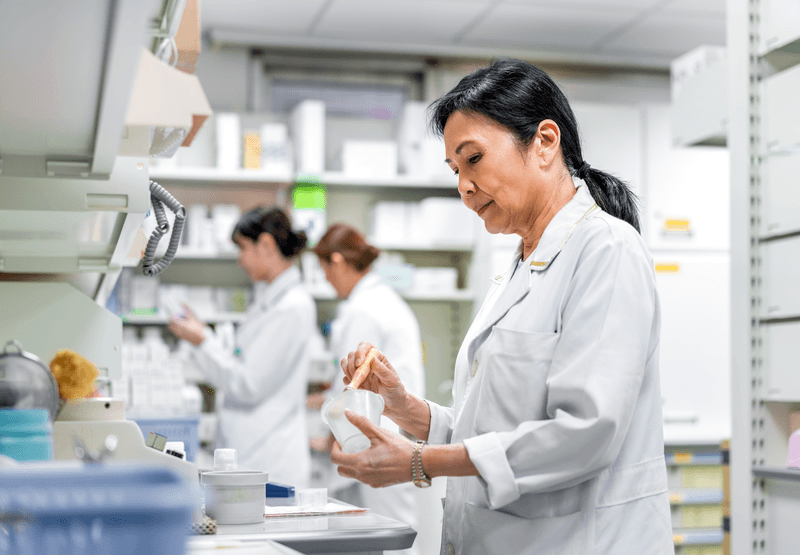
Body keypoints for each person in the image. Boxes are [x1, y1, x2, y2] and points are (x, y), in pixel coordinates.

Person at [329, 58, 673, 555]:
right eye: (454, 169)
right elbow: (491, 427)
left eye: (473, 159)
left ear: (545, 143)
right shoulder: (518, 265)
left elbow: (585, 432)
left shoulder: (607, 251)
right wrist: (405, 409)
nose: (463, 186)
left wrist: (423, 462)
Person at [169, 206, 316, 488]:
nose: (240, 260)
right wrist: (205, 338)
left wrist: (202, 341)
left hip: (269, 461)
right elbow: (241, 362)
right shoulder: (268, 301)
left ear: (266, 244)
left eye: (243, 248)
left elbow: (249, 383)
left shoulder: (292, 307)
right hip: (251, 453)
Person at [310, 223, 426, 555]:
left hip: (377, 438)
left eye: (325, 271)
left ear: (337, 261)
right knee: (390, 537)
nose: (327, 281)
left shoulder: (364, 309)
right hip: (390, 433)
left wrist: (330, 438)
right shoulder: (383, 301)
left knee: (388, 539)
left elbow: (351, 388)